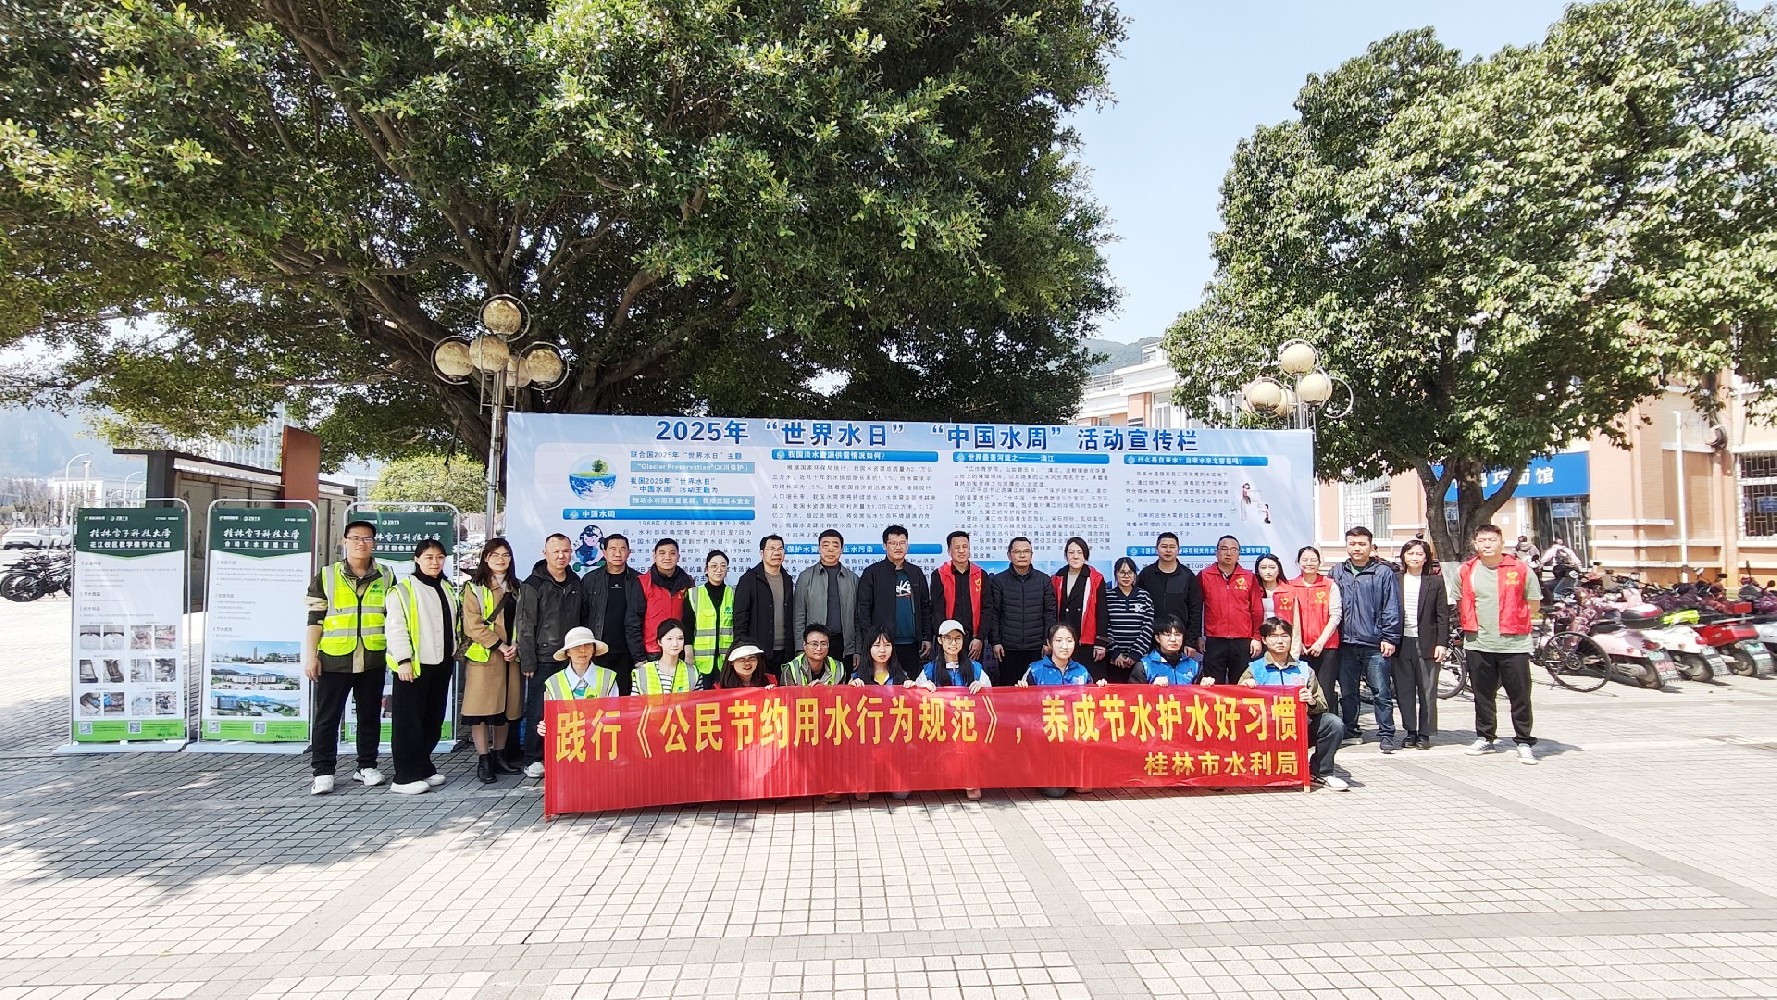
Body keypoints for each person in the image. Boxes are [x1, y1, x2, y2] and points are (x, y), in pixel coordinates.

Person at [303, 520, 397, 795]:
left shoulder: (386, 575)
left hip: (372, 658)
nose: (361, 543)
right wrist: (311, 656)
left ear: (374, 543)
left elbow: (394, 617)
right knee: (327, 718)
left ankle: (366, 766)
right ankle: (323, 771)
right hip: (334, 659)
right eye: (355, 538)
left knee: (369, 716)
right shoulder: (327, 575)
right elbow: (315, 619)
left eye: (367, 538)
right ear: (344, 541)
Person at [1459, 524, 1542, 764]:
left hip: (1514, 645)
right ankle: (1485, 737)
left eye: (1492, 540)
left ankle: (1524, 741)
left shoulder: (1520, 569)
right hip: (1478, 643)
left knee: (1520, 696)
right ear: (1475, 544)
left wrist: (1514, 620)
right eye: (1482, 540)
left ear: (1501, 542)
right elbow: (1459, 599)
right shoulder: (1467, 570)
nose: (1487, 544)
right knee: (1482, 695)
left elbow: (1533, 603)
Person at [383, 539, 459, 795]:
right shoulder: (403, 590)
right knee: (409, 722)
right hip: (414, 666)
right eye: (429, 557)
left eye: (439, 557)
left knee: (432, 718)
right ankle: (405, 776)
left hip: (441, 662)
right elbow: (396, 628)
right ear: (417, 559)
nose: (435, 562)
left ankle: (423, 766)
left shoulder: (445, 587)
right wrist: (403, 660)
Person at [1240, 617, 1348, 791]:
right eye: (1274, 636)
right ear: (1264, 640)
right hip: (1264, 733)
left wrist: (1311, 701)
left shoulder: (1304, 669)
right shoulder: (1254, 669)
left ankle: (1320, 772)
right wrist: (1245, 689)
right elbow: (1236, 707)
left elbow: (1322, 705)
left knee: (1333, 723)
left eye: (1285, 636)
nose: (1280, 641)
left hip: (1297, 730)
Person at [519, 533, 588, 778]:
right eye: (556, 551)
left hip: (571, 656)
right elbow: (525, 625)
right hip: (544, 657)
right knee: (539, 708)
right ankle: (533, 758)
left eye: (566, 551)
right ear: (545, 553)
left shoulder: (575, 581)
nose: (561, 556)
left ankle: (564, 752)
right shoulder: (533, 584)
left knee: (570, 707)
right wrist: (528, 660)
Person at [1328, 526, 1401, 752]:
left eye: (1362, 544)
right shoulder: (1337, 572)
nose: (1357, 548)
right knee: (1348, 692)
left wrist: (1390, 637)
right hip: (1345, 643)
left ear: (1370, 546)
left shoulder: (1383, 573)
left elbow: (1392, 606)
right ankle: (1351, 730)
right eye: (1352, 543)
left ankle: (1386, 733)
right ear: (1346, 546)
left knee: (1381, 691)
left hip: (1375, 643)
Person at [460, 536, 521, 784]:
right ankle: (483, 759)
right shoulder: (474, 587)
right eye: (495, 555)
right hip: (485, 657)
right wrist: (500, 645)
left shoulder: (517, 587)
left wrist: (516, 645)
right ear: (486, 558)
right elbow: (472, 625)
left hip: (511, 657)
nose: (501, 559)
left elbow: (523, 621)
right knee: (481, 711)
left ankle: (500, 756)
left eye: (505, 555)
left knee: (505, 709)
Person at [1016, 623, 1095, 797]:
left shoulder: (1082, 671)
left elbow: (1092, 705)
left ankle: (1072, 772)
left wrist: (1101, 688)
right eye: (1059, 641)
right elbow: (1023, 711)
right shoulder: (1035, 669)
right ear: (1049, 643)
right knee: (1056, 791)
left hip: (1073, 738)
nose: (1064, 646)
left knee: (1085, 788)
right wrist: (1022, 692)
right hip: (1046, 737)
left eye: (1069, 640)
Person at [916, 620, 991, 800]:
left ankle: (970, 778)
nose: (953, 643)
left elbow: (992, 700)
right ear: (940, 640)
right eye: (948, 638)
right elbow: (914, 701)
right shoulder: (929, 670)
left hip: (967, 729)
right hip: (939, 728)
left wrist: (982, 688)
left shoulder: (975, 668)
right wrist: (922, 689)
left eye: (958, 638)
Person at [1395, 539, 1450, 751]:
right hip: (1401, 642)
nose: (1415, 558)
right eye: (1410, 553)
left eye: (1419, 554)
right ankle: (1410, 731)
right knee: (1404, 690)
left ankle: (1425, 733)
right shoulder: (1395, 579)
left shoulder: (1435, 582)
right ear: (1404, 556)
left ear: (1426, 557)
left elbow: (1442, 615)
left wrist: (1442, 643)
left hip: (1427, 642)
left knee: (1428, 691)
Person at [856, 525, 931, 674]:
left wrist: (926, 637)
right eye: (893, 543)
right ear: (885, 545)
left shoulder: (915, 572)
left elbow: (925, 607)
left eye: (902, 543)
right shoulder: (872, 573)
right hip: (882, 645)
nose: (898, 547)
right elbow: (863, 609)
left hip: (911, 644)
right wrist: (871, 640)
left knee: (910, 684)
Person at [850, 627, 911, 801]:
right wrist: (851, 690)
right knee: (862, 796)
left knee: (902, 794)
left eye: (887, 645)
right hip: (867, 744)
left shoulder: (901, 677)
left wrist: (915, 688)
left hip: (894, 742)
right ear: (868, 648)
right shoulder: (857, 677)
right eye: (877, 645)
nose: (882, 650)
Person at [534, 627, 619, 752]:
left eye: (588, 645)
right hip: (568, 749)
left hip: (601, 747)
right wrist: (544, 727)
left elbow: (615, 716)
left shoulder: (608, 677)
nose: (582, 650)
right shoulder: (553, 682)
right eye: (576, 646)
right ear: (567, 652)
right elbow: (551, 719)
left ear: (593, 649)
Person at [579, 533, 641, 699]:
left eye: (622, 549)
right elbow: (582, 615)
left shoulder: (639, 580)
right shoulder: (590, 580)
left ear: (629, 552)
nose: (617, 553)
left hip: (628, 652)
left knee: (625, 699)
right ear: (604, 553)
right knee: (597, 698)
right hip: (598, 651)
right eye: (612, 549)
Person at [990, 535, 1057, 688]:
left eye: (1026, 551)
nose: (1022, 555)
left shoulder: (1043, 580)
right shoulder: (999, 581)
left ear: (1031, 555)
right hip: (1008, 649)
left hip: (1037, 648)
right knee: (1009, 690)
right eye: (1017, 552)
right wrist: (996, 642)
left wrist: (1047, 641)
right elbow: (994, 614)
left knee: (1036, 690)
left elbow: (1050, 613)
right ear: (1009, 555)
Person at [1198, 535, 1263, 684]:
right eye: (1224, 549)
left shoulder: (1248, 576)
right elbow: (1196, 608)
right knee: (1213, 684)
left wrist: (1256, 637)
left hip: (1243, 640)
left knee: (1242, 684)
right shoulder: (1204, 575)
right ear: (1216, 552)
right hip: (1214, 640)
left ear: (1239, 554)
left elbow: (1257, 610)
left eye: (1233, 550)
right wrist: (1197, 636)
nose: (1228, 553)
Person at [793, 530, 859, 669]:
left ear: (842, 549)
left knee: (844, 681)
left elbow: (858, 618)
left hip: (844, 644)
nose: (830, 549)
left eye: (835, 545)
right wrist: (800, 648)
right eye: (825, 545)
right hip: (815, 646)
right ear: (819, 548)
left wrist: (857, 649)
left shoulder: (853, 579)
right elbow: (799, 615)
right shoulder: (806, 577)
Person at [1292, 546, 1344, 721]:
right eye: (1305, 560)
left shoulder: (1330, 585)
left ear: (1320, 562)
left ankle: (1327, 727)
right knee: (1299, 689)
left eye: (1313, 560)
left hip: (1326, 647)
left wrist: (1320, 642)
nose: (1309, 563)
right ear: (1298, 562)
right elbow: (1287, 618)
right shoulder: (1290, 586)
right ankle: (1302, 727)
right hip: (1298, 648)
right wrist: (1297, 642)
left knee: (1325, 689)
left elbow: (1335, 616)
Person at [930, 530, 995, 666]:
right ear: (949, 551)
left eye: (965, 547)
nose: (961, 551)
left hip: (973, 641)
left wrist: (980, 638)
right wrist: (944, 638)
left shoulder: (980, 574)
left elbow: (987, 609)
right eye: (957, 547)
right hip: (948, 640)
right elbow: (937, 611)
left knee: (973, 675)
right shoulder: (940, 575)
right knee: (947, 676)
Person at [627, 537, 695, 664]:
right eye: (662, 553)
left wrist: (688, 649)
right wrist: (639, 658)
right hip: (652, 652)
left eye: (672, 553)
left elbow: (690, 620)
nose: (667, 557)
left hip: (679, 650)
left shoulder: (687, 583)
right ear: (654, 556)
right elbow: (633, 622)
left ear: (678, 557)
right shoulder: (642, 582)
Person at [734, 534, 797, 670]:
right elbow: (740, 619)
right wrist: (743, 648)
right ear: (762, 553)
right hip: (758, 652)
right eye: (772, 549)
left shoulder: (787, 580)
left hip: (785, 652)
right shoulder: (749, 580)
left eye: (780, 549)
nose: (776, 553)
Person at [1136, 533, 1205, 657]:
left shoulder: (1187, 576)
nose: (1168, 550)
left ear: (1178, 550)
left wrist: (1190, 642)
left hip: (1179, 639)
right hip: (1149, 639)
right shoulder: (1146, 575)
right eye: (1164, 546)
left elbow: (1195, 611)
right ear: (1156, 549)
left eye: (1172, 547)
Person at [681, 550, 734, 689]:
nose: (719, 570)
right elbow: (687, 626)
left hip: (726, 661)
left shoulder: (733, 594)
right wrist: (688, 653)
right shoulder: (694, 594)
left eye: (723, 566)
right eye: (714, 566)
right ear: (706, 569)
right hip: (700, 662)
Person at [1053, 536, 1107, 665]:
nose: (1075, 556)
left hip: (1087, 640)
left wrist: (1100, 642)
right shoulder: (1057, 578)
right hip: (1063, 639)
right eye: (1071, 552)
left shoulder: (1095, 578)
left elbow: (1102, 612)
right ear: (1066, 555)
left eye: (1079, 552)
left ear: (1085, 555)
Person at [1100, 557, 1155, 683]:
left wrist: (1135, 654)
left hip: (1139, 660)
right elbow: (1105, 626)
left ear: (1135, 575)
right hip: (1114, 660)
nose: (1126, 576)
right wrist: (1115, 653)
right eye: (1122, 572)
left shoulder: (1144, 596)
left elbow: (1148, 627)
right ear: (1116, 574)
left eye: (1130, 572)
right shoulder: (1107, 596)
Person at [1254, 554, 1301, 657]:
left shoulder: (1290, 591)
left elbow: (1296, 623)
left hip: (1282, 641)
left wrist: (1295, 649)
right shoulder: (1253, 591)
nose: (1268, 571)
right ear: (1257, 571)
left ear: (1279, 569)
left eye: (1272, 567)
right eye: (1263, 568)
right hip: (1258, 642)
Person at [1134, 615, 1202, 685]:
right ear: (1157, 638)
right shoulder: (1144, 666)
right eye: (1167, 635)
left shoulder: (1194, 665)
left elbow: (1200, 690)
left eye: (1177, 635)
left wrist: (1206, 683)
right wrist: (1152, 687)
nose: (1173, 639)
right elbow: (1133, 691)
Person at [634, 619, 697, 694]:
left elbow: (699, 700)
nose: (675, 644)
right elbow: (635, 700)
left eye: (680, 638)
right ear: (659, 642)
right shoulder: (642, 672)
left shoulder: (692, 672)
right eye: (669, 639)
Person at [780, 624, 849, 685]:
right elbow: (787, 695)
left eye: (823, 644)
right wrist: (813, 691)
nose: (819, 648)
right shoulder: (791, 670)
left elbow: (841, 694)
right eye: (814, 644)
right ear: (804, 645)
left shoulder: (839, 668)